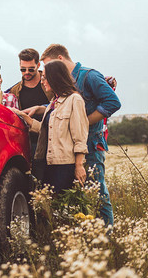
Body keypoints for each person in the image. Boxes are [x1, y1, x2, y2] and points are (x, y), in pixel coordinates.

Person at [39, 44, 121, 226]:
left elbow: (113, 102)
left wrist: (82, 122)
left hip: (90, 144)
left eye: (48, 66)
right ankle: (87, 233)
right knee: (79, 197)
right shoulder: (66, 82)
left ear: (59, 59)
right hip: (71, 148)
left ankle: (105, 236)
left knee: (98, 192)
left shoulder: (89, 75)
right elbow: (64, 107)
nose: (47, 73)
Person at [12, 60, 89, 194]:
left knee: (63, 207)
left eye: (45, 78)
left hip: (65, 166)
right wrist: (26, 119)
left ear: (55, 78)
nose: (42, 81)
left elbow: (80, 137)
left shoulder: (74, 100)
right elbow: (47, 129)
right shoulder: (54, 102)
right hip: (49, 163)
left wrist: (79, 166)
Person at [6, 49, 54, 156]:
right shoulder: (15, 90)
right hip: (28, 141)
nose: (27, 72)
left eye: (31, 69)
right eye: (23, 69)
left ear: (38, 65)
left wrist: (40, 109)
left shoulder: (50, 83)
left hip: (51, 139)